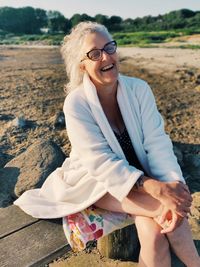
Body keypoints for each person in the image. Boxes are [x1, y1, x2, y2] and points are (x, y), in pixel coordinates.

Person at [14, 21, 200, 267]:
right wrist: (153, 187)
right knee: (167, 210)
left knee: (155, 235)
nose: (106, 56)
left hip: (140, 176)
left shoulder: (139, 89)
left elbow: (158, 142)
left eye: (109, 47)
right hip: (98, 183)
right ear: (82, 65)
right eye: (94, 53)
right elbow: (100, 163)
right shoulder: (76, 104)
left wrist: (174, 183)